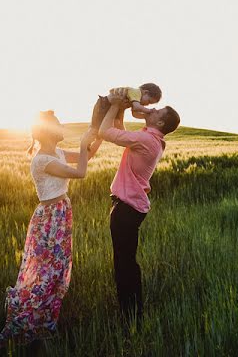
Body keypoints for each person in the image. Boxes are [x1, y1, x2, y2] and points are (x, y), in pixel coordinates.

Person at [0, 111, 101, 348]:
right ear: (49, 131)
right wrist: (84, 143)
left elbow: (89, 155)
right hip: (49, 220)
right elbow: (80, 172)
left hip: (61, 213)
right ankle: (29, 323)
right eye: (58, 124)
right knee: (46, 272)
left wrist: (99, 134)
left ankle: (44, 323)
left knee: (57, 268)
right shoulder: (42, 160)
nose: (63, 127)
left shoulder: (58, 153)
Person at [98, 89, 181, 322]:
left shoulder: (146, 140)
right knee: (127, 262)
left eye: (157, 111)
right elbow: (120, 133)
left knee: (124, 265)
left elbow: (105, 132)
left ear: (161, 121)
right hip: (131, 209)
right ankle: (134, 311)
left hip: (126, 210)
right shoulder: (150, 138)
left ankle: (130, 317)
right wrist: (121, 109)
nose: (152, 109)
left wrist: (114, 104)